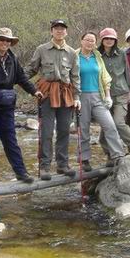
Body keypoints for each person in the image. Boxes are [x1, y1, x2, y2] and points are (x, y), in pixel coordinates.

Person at [0, 27, 43, 188]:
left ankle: (21, 172)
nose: (5, 43)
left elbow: (21, 78)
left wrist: (34, 91)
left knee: (10, 138)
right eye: (2, 40)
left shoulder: (13, 58)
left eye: (8, 40)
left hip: (7, 103)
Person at [26, 19, 81, 180]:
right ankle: (45, 166)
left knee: (64, 130)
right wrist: (18, 80)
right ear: (51, 31)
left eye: (62, 29)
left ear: (66, 32)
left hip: (66, 94)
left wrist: (77, 97)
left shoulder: (72, 53)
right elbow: (31, 69)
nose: (59, 31)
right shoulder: (41, 49)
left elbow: (75, 76)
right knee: (47, 131)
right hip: (47, 94)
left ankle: (62, 165)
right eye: (56, 28)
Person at [76, 31, 125, 172]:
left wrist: (108, 96)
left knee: (110, 125)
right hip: (81, 97)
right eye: (87, 40)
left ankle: (117, 155)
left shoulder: (97, 56)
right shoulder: (74, 56)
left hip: (99, 96)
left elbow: (105, 77)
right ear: (81, 41)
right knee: (83, 129)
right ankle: (84, 159)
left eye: (92, 41)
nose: (90, 43)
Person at [98, 28, 130, 155]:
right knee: (106, 125)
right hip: (103, 95)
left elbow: (127, 72)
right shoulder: (96, 55)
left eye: (112, 38)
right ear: (102, 40)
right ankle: (110, 154)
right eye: (106, 38)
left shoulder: (121, 53)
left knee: (118, 122)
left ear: (115, 40)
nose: (109, 41)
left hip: (121, 92)